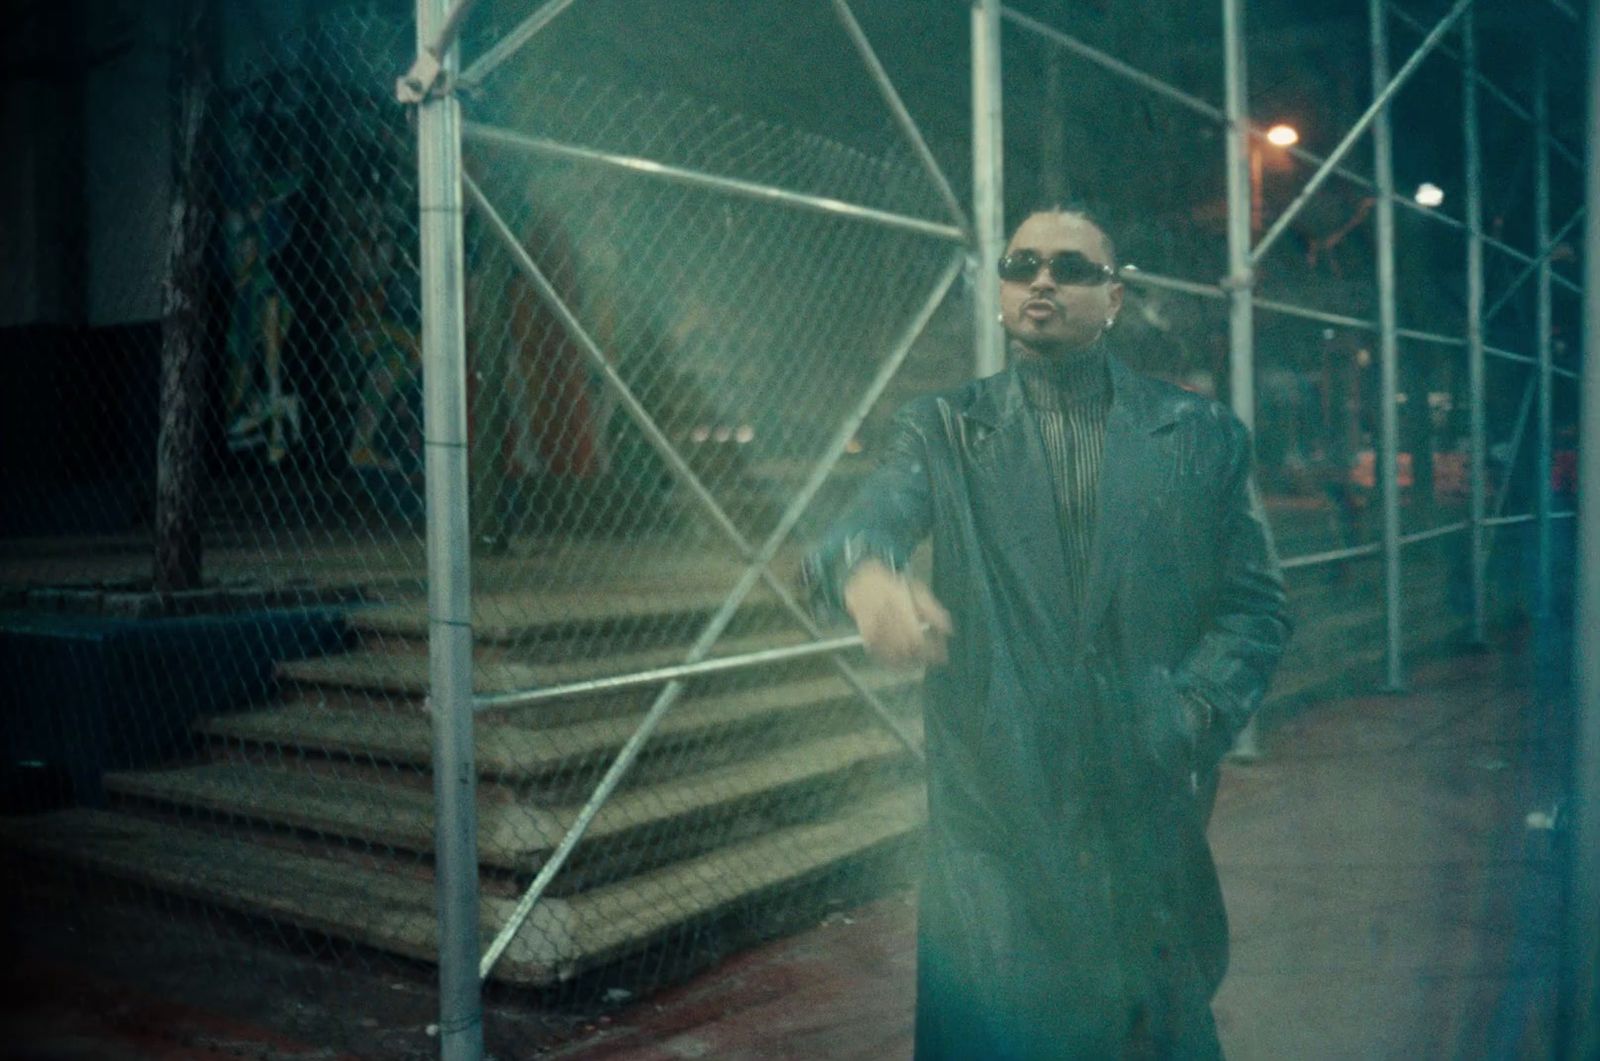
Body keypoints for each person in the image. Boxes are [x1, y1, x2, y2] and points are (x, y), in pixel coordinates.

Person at [803, 208, 1291, 1058]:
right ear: (998, 291)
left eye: (1069, 267)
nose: (1040, 281)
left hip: (1140, 793)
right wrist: (866, 573)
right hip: (997, 801)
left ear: (1114, 297)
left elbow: (1255, 606)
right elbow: (870, 517)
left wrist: (1189, 713)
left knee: (1152, 1026)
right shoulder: (945, 428)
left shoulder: (1197, 436)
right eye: (1021, 263)